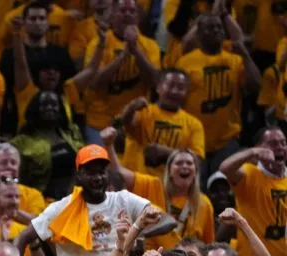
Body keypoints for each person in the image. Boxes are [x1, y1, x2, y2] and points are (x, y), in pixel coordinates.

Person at [15, 144, 173, 256]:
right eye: (90, 172)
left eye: (101, 172)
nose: (97, 177)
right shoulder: (62, 208)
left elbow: (167, 220)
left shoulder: (124, 200)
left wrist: (137, 234)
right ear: (78, 175)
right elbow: (24, 236)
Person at [176, 13, 261, 176]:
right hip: (194, 139)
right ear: (199, 34)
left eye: (219, 27)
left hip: (227, 138)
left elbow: (256, 85)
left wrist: (245, 55)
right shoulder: (185, 62)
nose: (216, 31)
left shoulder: (235, 60)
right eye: (210, 27)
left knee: (224, 190)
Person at [104, 130, 214, 249]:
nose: (185, 166)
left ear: (195, 172)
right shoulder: (153, 186)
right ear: (169, 171)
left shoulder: (204, 204)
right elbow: (119, 174)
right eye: (179, 163)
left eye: (189, 163)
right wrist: (109, 145)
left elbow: (208, 246)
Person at [219, 127, 287, 256]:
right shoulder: (250, 174)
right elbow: (226, 168)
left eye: (283, 143)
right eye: (272, 144)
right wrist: (253, 152)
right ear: (260, 147)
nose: (279, 148)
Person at [80, 0, 160, 144]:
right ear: (112, 16)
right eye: (122, 11)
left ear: (138, 17)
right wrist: (122, 56)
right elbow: (94, 83)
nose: (127, 14)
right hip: (100, 122)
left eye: (132, 11)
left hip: (135, 122)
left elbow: (154, 82)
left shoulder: (150, 45)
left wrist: (135, 51)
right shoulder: (97, 44)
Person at [120, 70, 206, 179]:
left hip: (171, 186)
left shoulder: (194, 124)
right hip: (138, 182)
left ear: (186, 92)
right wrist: (131, 108)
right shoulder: (143, 112)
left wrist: (165, 152)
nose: (175, 91)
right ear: (158, 88)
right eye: (170, 85)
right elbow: (126, 124)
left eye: (180, 88)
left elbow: (197, 160)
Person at [10, 90, 84, 200]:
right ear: (35, 109)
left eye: (54, 104)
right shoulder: (21, 142)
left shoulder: (72, 133)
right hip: (42, 198)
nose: (49, 108)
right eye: (44, 105)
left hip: (75, 195)